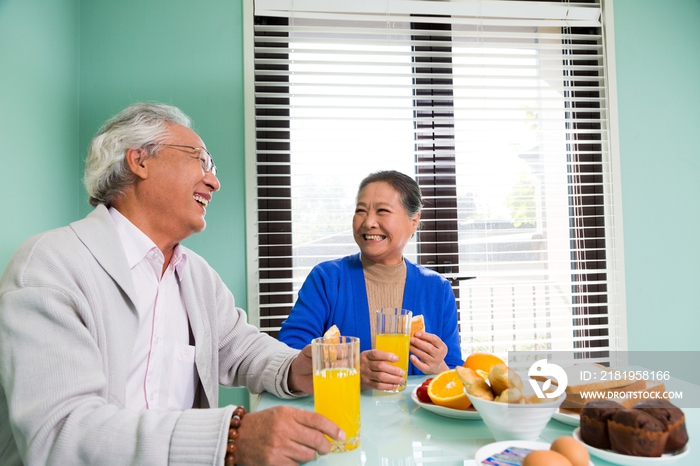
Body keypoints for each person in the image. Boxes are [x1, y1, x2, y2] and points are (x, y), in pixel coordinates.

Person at [0, 103, 344, 466]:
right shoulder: (50, 264)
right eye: (201, 160)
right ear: (139, 161)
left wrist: (294, 367)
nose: (214, 181)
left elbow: (240, 348)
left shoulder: (196, 274)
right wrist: (230, 437)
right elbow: (60, 433)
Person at [278, 170, 464, 392]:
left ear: (414, 221)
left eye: (382, 211)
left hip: (415, 424)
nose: (368, 222)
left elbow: (453, 375)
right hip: (342, 418)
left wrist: (439, 368)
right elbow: (289, 353)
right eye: (360, 211)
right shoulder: (326, 279)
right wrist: (350, 369)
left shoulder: (438, 289)